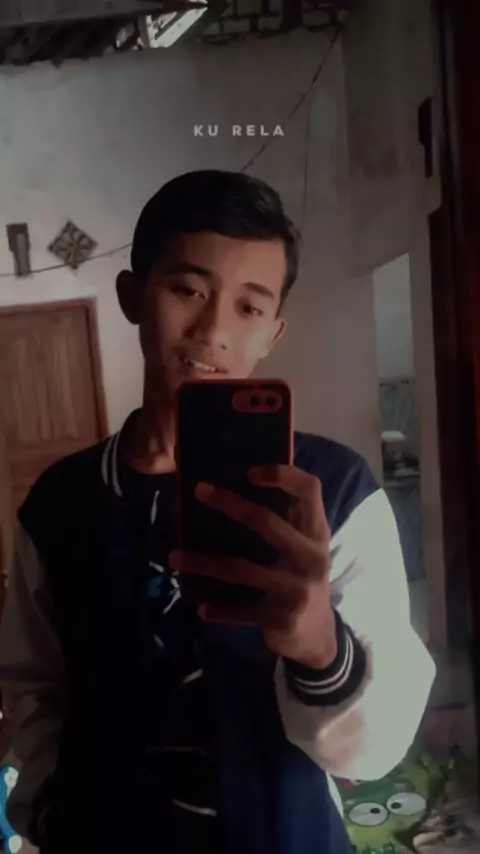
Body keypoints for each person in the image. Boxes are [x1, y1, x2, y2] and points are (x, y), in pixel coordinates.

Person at [0, 170, 435, 854]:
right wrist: (49, 813)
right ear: (133, 296)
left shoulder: (331, 490)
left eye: (249, 307)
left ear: (273, 333)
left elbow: (375, 752)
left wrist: (323, 651)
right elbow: (35, 687)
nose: (213, 332)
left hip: (286, 837)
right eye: (188, 290)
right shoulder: (61, 503)